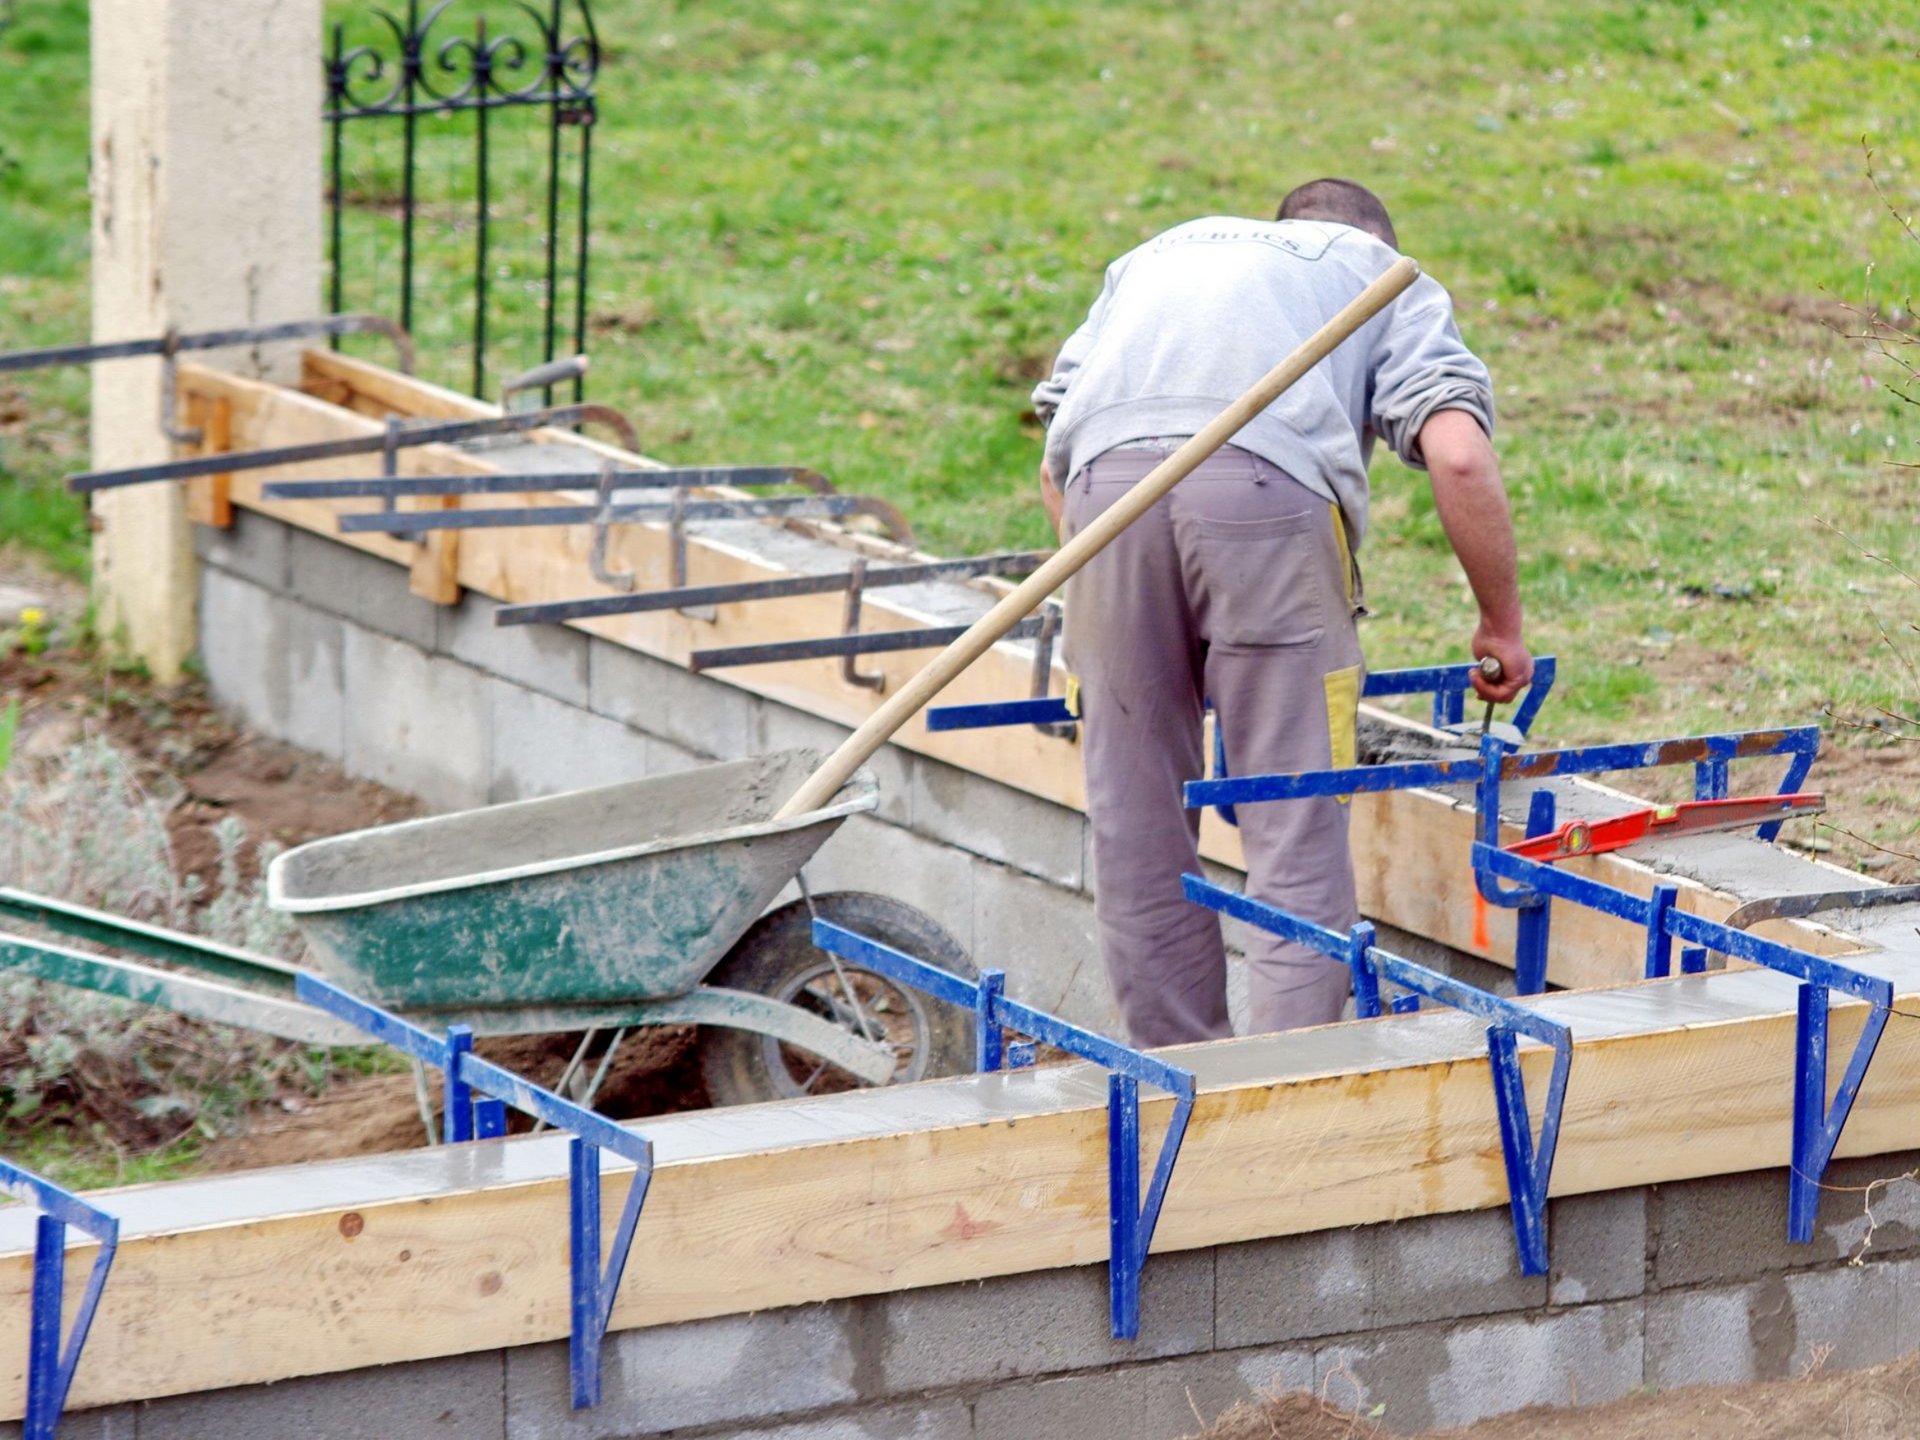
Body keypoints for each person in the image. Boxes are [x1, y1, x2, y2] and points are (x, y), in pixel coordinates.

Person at [1031, 178, 1533, 1048]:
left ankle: (1174, 1076)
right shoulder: (1383, 273)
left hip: (1100, 498)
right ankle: (1284, 1083)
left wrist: (1132, 603)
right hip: (1268, 495)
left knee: (1135, 818)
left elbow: (1055, 455)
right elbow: (1456, 457)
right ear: (1376, 235)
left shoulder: (1156, 256)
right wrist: (1502, 625)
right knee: (1293, 815)